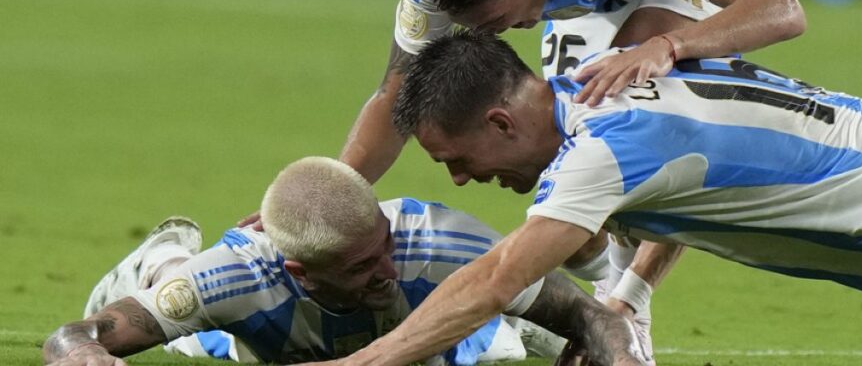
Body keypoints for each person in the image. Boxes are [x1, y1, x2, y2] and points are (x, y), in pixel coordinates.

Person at [341, 0, 805, 360]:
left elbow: (778, 10)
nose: (490, 36)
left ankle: (627, 305)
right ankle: (602, 287)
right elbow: (396, 97)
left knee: (636, 113)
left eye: (496, 23)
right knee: (555, 134)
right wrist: (322, 210)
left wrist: (667, 46)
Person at [325, 30, 862, 365]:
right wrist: (627, 296)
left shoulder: (599, 152)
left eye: (457, 159)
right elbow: (691, 183)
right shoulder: (597, 80)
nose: (459, 181)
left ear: (502, 121)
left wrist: (360, 365)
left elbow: (495, 280)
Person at [43, 157, 645, 366]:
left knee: (504, 340)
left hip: (426, 326)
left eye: (384, 245)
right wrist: (85, 353)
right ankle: (163, 258)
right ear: (299, 271)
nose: (386, 268)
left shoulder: (442, 245)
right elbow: (72, 337)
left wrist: (614, 351)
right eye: (360, 266)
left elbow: (595, 316)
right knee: (190, 331)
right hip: (265, 338)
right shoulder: (234, 279)